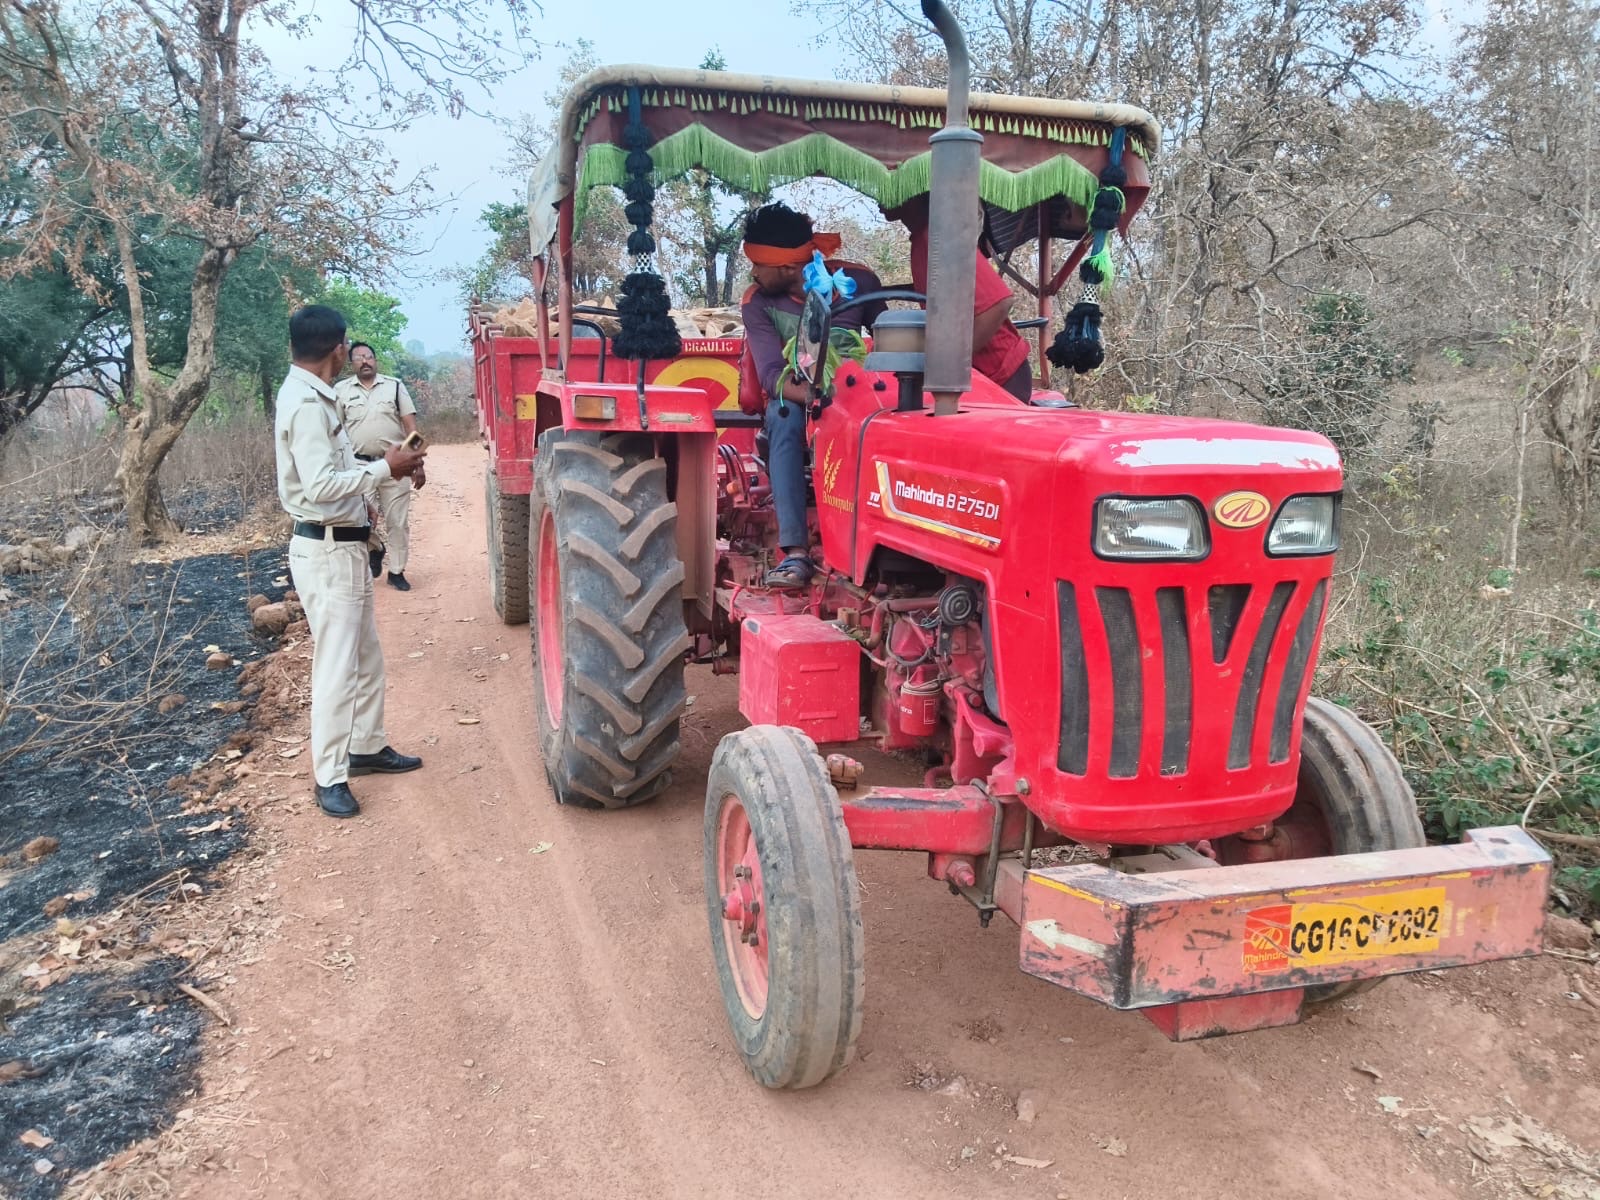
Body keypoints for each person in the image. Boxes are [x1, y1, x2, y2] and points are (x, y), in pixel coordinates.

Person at [276, 306, 427, 818]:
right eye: (347, 348)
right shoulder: (305, 404)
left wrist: (380, 464)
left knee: (365, 658)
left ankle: (365, 746)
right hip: (326, 548)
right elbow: (319, 487)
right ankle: (329, 776)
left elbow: (336, 470)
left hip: (345, 547)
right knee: (338, 666)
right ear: (337, 348)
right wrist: (385, 466)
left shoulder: (314, 396)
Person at [741, 202, 886, 589]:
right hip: (802, 399)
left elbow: (889, 345)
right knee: (782, 415)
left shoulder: (860, 281)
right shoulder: (758, 303)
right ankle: (796, 553)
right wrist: (823, 398)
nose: (753, 273)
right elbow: (772, 377)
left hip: (862, 397)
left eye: (759, 264)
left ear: (788, 268)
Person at [884, 195, 1034, 401]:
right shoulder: (922, 239)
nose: (879, 197)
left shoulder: (937, 236)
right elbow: (945, 287)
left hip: (1001, 376)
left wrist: (950, 365)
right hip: (981, 377)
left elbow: (1000, 303)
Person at [335, 342, 425, 591]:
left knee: (398, 521)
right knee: (360, 519)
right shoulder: (341, 391)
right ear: (351, 363)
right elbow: (334, 432)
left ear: (376, 360)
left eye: (369, 357)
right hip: (360, 467)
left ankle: (396, 571)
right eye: (358, 358)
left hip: (396, 466)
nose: (365, 361)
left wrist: (417, 463)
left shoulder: (394, 386)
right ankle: (376, 548)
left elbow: (411, 427)